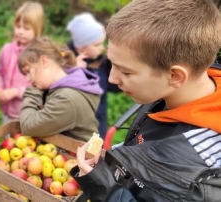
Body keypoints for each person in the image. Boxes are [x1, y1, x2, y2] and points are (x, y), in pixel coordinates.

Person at [72, 0, 221, 201]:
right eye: (112, 65)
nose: (112, 79)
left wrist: (104, 186)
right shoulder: (171, 92)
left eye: (125, 71)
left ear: (175, 76)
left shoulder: (196, 175)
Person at [19, 37, 102, 141]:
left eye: (28, 71)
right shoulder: (64, 87)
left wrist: (32, 91)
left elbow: (28, 126)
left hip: (76, 156)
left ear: (44, 61)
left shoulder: (66, 99)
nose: (28, 79)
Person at [66, 12, 120, 138]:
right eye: (97, 45)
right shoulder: (67, 64)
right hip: (74, 128)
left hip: (98, 124)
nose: (101, 48)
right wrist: (74, 72)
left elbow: (115, 86)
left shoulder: (101, 62)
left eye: (102, 43)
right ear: (81, 48)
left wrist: (113, 64)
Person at [0, 1, 44, 124]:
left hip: (29, 114)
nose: (20, 31)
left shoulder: (39, 55)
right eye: (18, 26)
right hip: (7, 111)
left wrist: (16, 92)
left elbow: (41, 86)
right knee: (8, 140)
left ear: (37, 29)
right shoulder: (6, 50)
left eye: (26, 28)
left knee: (28, 142)